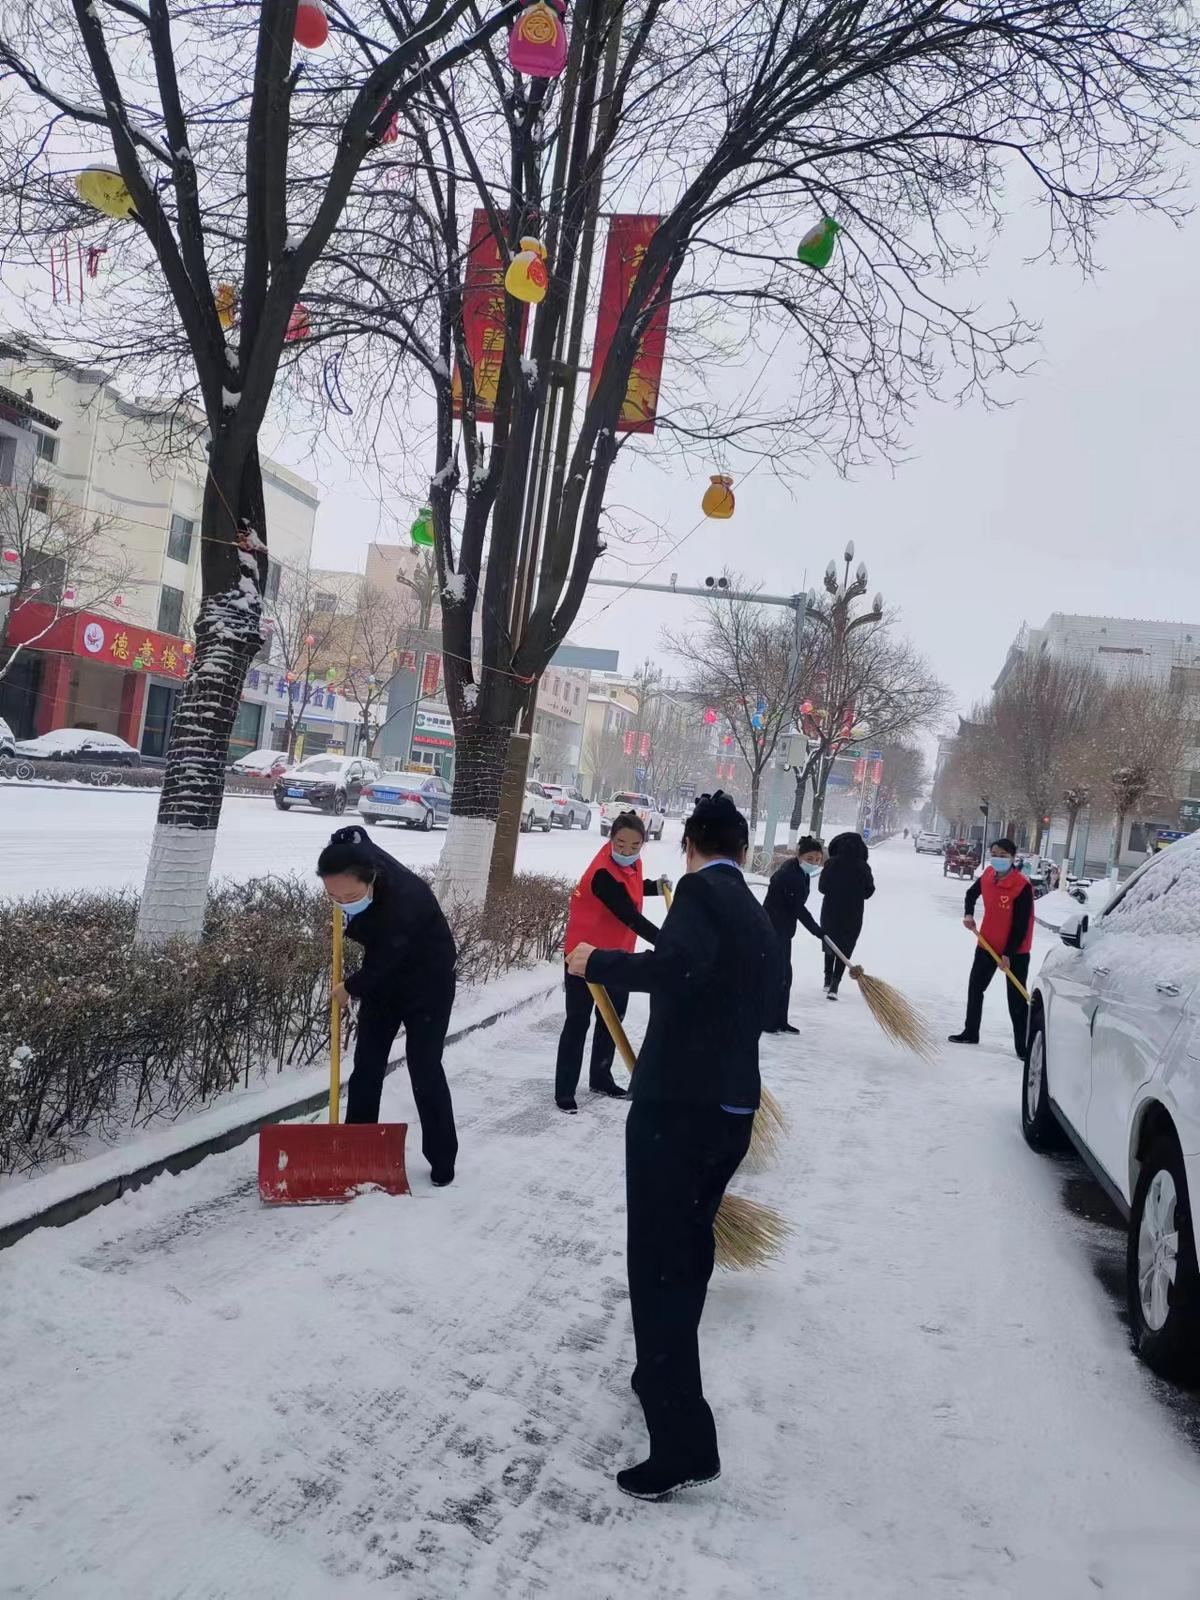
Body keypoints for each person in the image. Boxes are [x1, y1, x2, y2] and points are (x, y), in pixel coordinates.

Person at [567, 791, 777, 1501]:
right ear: (741, 850)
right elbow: (757, 993)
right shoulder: (749, 907)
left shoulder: (697, 892)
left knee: (658, 1266)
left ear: (690, 846)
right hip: (729, 1108)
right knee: (686, 1255)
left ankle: (683, 1443)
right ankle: (656, 1373)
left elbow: (676, 968)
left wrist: (597, 962)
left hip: (678, 1111)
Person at [317, 825, 459, 1186]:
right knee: (367, 1064)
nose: (342, 903)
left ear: (372, 879)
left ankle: (442, 1159)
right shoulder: (359, 859)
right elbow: (357, 836)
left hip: (428, 982)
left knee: (424, 1067)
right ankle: (357, 1146)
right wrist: (344, 837)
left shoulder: (405, 899)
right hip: (385, 979)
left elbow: (385, 961)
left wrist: (350, 987)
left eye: (350, 896)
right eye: (333, 896)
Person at [554, 812, 669, 1113]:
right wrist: (667, 940)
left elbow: (630, 887)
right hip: (583, 957)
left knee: (611, 1021)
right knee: (577, 1022)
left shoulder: (631, 865)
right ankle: (564, 1090)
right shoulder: (602, 873)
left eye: (635, 846)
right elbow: (627, 913)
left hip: (616, 956)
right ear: (610, 839)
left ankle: (601, 1078)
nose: (627, 851)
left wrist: (655, 887)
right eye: (621, 844)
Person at [948, 837, 1033, 1058]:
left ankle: (1024, 1048)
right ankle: (970, 1032)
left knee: (1016, 1000)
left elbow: (1020, 926)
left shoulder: (1021, 886)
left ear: (1013, 858)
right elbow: (971, 894)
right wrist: (968, 914)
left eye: (1003, 855)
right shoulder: (987, 875)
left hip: (1016, 952)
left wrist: (1008, 954)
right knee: (976, 988)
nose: (998, 859)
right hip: (987, 944)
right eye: (994, 854)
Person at [762, 835, 825, 1032]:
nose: (814, 863)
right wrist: (817, 931)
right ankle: (768, 1021)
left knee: (784, 977)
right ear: (799, 855)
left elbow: (796, 906)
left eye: (817, 859)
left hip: (783, 929)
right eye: (810, 858)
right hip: (773, 929)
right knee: (776, 976)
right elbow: (798, 909)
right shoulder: (790, 875)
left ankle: (780, 1020)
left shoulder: (800, 872)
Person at [818, 831, 875, 1000]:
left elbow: (822, 887)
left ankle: (827, 979)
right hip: (853, 913)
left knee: (830, 943)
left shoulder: (831, 863)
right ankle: (835, 984)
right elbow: (869, 891)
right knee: (846, 947)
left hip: (831, 910)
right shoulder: (863, 867)